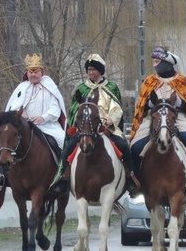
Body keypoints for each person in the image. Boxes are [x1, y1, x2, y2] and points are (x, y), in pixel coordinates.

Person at [49, 54, 137, 196]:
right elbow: (75, 111)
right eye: (89, 69)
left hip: (106, 128)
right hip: (85, 128)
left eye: (93, 69)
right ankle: (63, 178)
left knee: (123, 145)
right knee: (69, 147)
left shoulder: (111, 87)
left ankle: (131, 176)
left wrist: (111, 120)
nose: (90, 72)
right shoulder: (81, 89)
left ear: (100, 71)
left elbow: (117, 108)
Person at [129, 46, 186, 193]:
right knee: (135, 147)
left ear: (167, 64)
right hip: (153, 117)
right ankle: (133, 180)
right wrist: (151, 102)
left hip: (177, 116)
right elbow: (141, 105)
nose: (155, 65)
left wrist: (179, 102)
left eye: (157, 62)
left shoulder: (183, 82)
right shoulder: (149, 81)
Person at [0, 53, 67, 188]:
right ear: (27, 73)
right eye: (30, 72)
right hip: (26, 126)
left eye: (36, 72)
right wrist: (20, 116)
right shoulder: (22, 88)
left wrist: (44, 117)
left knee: (63, 142)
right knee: (3, 143)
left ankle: (63, 175)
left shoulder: (50, 87)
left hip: (47, 125)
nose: (33, 75)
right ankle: (1, 174)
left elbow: (55, 109)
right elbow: (13, 108)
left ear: (41, 72)